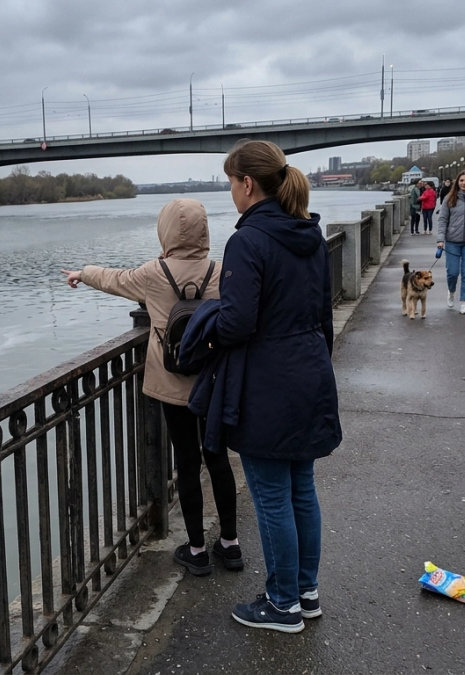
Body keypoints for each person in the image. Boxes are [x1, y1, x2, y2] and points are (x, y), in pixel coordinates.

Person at [61, 198, 241, 576]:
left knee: (187, 465)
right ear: (204, 231)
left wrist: (82, 271)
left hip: (171, 385)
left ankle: (196, 550)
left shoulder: (153, 273)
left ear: (165, 231)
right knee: (218, 459)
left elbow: (114, 279)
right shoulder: (223, 271)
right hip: (212, 383)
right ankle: (230, 544)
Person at [208, 139, 341, 633]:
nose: (230, 192)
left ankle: (282, 604)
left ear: (247, 184)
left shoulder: (248, 241)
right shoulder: (309, 233)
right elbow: (322, 312)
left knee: (270, 495)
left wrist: (208, 325)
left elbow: (238, 322)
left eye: (230, 182)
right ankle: (305, 592)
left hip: (267, 380)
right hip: (309, 371)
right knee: (300, 488)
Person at [436, 170, 465, 314]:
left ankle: (463, 303)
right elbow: (443, 219)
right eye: (461, 180)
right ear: (457, 182)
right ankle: (451, 291)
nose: (464, 183)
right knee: (453, 272)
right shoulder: (449, 198)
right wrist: (440, 239)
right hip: (452, 241)